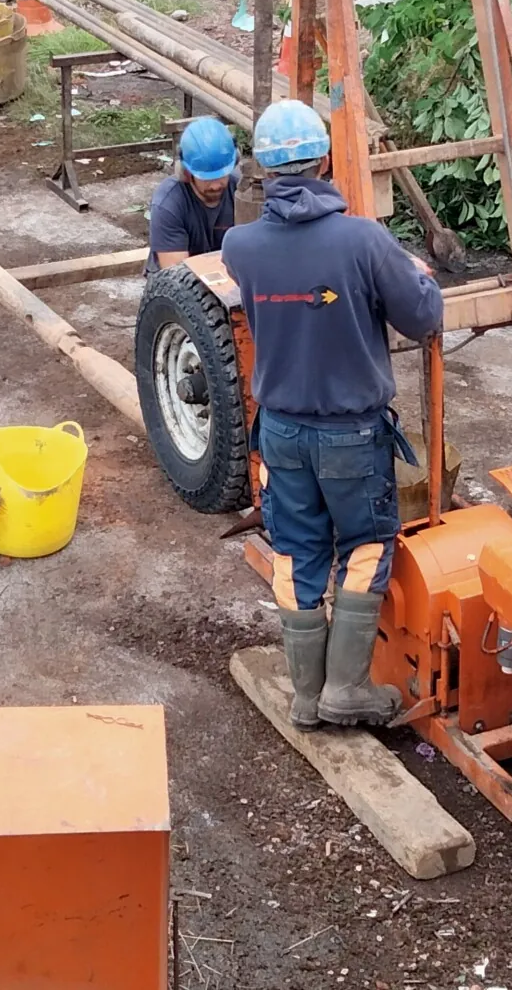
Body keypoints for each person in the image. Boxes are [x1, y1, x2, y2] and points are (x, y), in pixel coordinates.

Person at [222, 100, 443, 729]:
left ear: (262, 170)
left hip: (283, 432)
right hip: (351, 434)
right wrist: (416, 276)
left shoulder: (242, 246)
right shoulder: (363, 239)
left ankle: (305, 695)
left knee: (296, 551)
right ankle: (347, 688)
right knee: (368, 546)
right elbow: (421, 317)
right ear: (324, 159)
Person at [144, 117, 239, 275]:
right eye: (207, 179)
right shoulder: (168, 205)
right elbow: (176, 279)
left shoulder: (241, 191)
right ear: (186, 173)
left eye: (222, 176)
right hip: (183, 289)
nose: (215, 185)